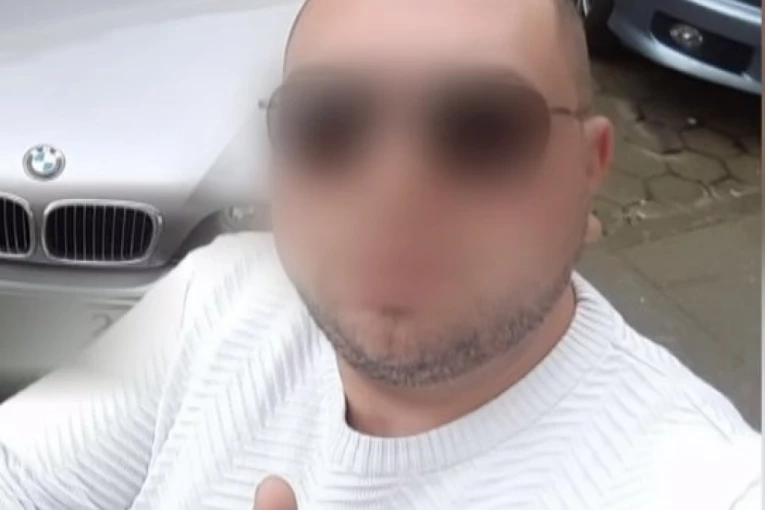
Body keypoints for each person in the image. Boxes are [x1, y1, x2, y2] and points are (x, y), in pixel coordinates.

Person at [0, 0, 760, 509]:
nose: (395, 187)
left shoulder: (705, 485)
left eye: (482, 127)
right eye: (328, 121)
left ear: (588, 169)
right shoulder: (219, 296)